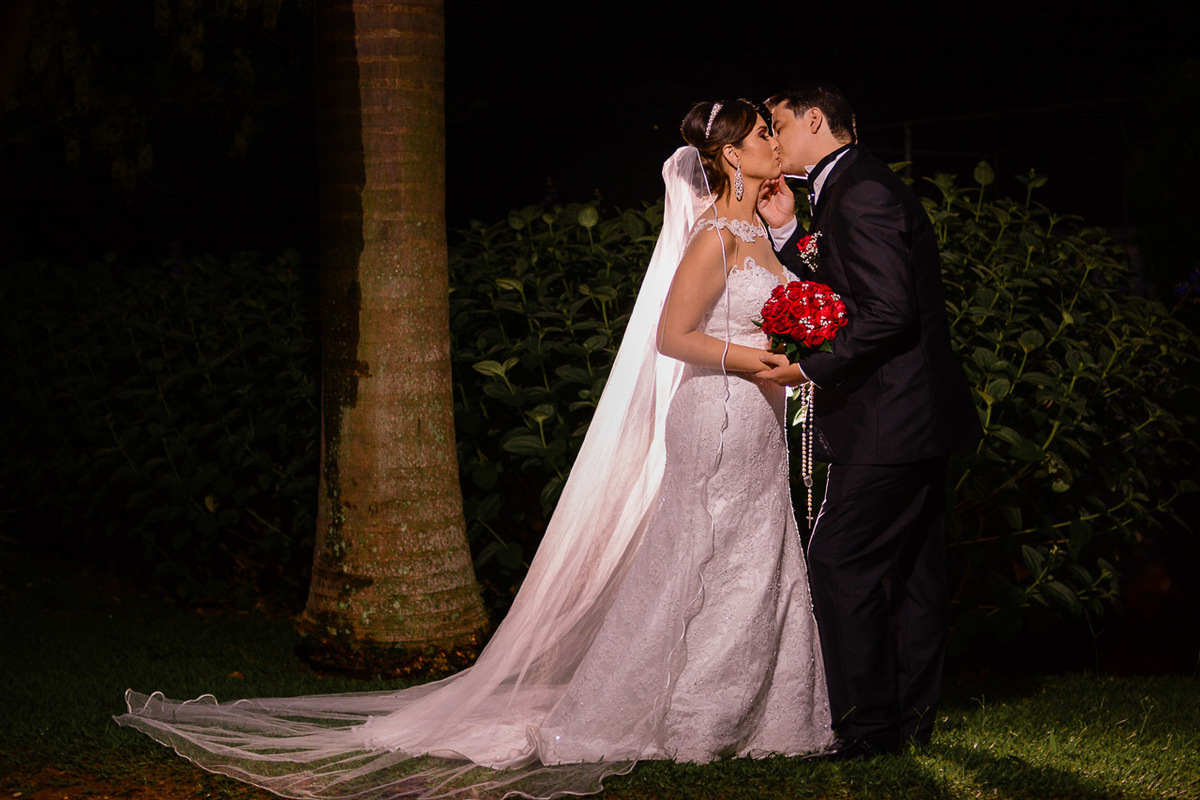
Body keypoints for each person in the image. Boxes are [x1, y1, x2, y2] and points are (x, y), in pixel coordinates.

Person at [115, 99, 831, 799]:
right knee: (699, 556)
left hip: (761, 418)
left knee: (757, 553)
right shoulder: (711, 238)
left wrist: (797, 345)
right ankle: (689, 716)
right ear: (731, 154)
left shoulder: (761, 232)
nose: (775, 140)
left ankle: (756, 715)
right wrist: (752, 361)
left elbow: (779, 308)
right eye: (764, 133)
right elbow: (672, 337)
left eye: (774, 130)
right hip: (720, 412)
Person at [756, 85, 982, 760]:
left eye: (779, 124)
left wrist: (808, 371)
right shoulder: (847, 186)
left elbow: (887, 313)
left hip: (891, 417)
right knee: (911, 570)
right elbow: (845, 290)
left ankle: (868, 726)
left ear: (816, 120)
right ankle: (905, 721)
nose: (773, 136)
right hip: (911, 415)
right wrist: (794, 235)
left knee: (838, 557)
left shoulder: (863, 191)